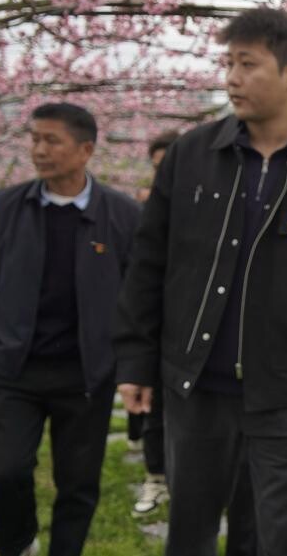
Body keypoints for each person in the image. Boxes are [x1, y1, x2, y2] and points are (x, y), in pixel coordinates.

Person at [113, 7, 287, 556]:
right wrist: (136, 362)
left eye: (248, 64)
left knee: (280, 540)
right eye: (228, 63)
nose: (232, 78)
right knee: (189, 533)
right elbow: (149, 266)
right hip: (197, 391)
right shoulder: (191, 157)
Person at [0, 102, 142, 556]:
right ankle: (17, 545)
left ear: (85, 150)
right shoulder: (9, 205)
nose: (38, 150)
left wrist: (124, 361)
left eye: (51, 140)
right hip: (12, 368)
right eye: (34, 139)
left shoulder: (121, 215)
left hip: (84, 374)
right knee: (6, 471)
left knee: (78, 482)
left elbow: (139, 295)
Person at [130, 129, 178, 516]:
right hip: (158, 332)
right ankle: (156, 478)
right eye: (158, 166)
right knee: (155, 413)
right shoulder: (145, 212)